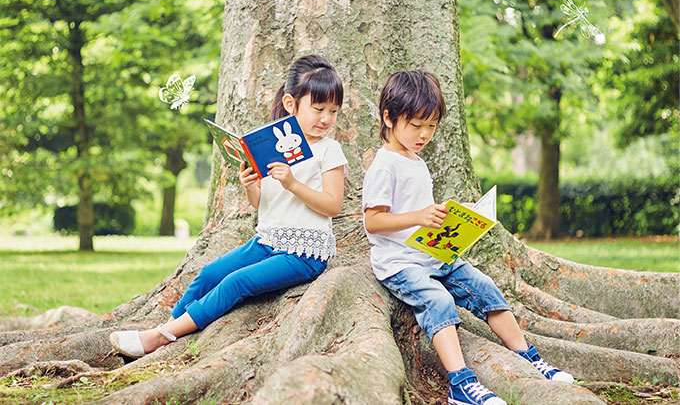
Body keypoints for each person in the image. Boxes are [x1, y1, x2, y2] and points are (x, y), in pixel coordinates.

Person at [110, 54, 348, 358]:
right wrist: (251, 186)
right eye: (318, 109)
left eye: (333, 111)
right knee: (209, 274)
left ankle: (157, 337)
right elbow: (263, 203)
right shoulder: (272, 145)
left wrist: (293, 184)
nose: (326, 118)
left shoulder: (329, 150)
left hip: (304, 252)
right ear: (291, 104)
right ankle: (169, 331)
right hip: (267, 241)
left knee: (236, 283)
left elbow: (333, 205)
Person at [362, 70, 573, 405]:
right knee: (440, 301)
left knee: (485, 286)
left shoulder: (416, 161)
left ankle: (528, 357)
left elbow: (418, 212)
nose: (424, 134)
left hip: (434, 252)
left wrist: (446, 218)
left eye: (431, 126)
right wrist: (419, 216)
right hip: (400, 263)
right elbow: (373, 221)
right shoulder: (384, 165)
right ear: (388, 117)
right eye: (416, 125)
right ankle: (461, 384)